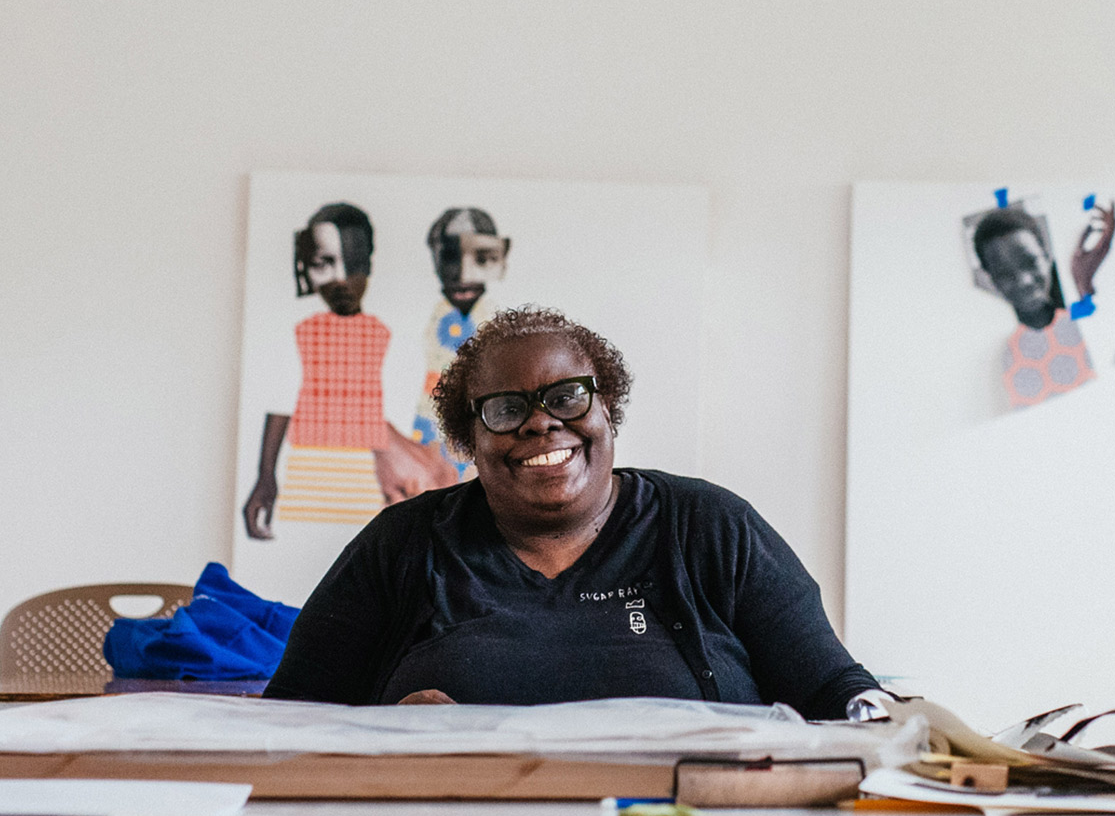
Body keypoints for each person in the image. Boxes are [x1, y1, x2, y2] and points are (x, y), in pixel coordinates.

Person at [265, 305, 889, 718]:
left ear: (605, 410)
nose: (542, 422)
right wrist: (380, 737)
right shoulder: (403, 544)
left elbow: (838, 695)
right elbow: (286, 723)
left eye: (566, 397)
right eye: (506, 409)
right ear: (468, 440)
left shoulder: (709, 527)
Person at [242, 202, 454, 541]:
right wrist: (265, 475)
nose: (340, 279)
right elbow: (282, 401)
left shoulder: (389, 335)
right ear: (306, 267)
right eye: (324, 263)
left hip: (368, 477)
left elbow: (403, 415)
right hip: (307, 470)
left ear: (368, 264)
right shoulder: (299, 331)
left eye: (353, 263)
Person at [972, 202, 1115, 410]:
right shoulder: (1005, 357)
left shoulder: (1086, 321)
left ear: (1047, 256)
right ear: (991, 281)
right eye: (1004, 274)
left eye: (1030, 262)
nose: (1024, 281)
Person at [409, 206, 511, 477]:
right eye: (451, 258)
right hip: (431, 417)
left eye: (478, 258)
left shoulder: (494, 314)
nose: (462, 274)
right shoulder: (434, 313)